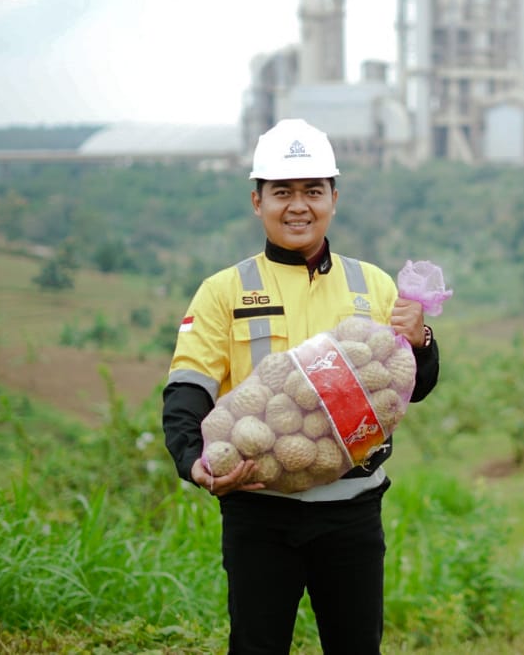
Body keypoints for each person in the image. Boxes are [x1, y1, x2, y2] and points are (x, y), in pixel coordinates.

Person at [162, 118, 441, 655]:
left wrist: (422, 340)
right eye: (282, 192)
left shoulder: (374, 284)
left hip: (352, 509)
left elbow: (414, 386)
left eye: (313, 191)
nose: (298, 206)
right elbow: (188, 385)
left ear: (334, 198)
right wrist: (191, 459)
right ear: (257, 201)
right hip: (260, 513)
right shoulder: (224, 290)